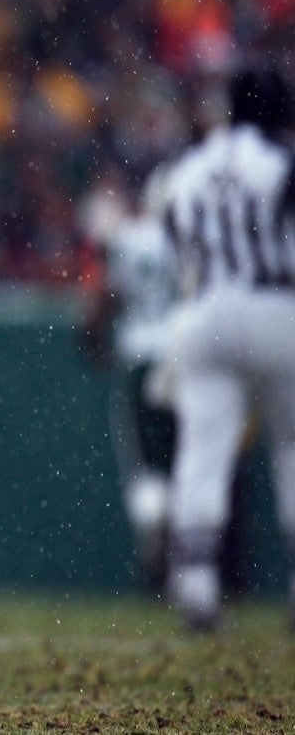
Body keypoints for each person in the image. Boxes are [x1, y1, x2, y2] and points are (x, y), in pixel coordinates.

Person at [155, 63, 295, 631]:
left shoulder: (187, 168)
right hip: (276, 306)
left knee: (202, 450)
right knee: (292, 448)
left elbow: (174, 245)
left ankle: (196, 585)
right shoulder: (282, 165)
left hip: (203, 310)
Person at [79, 171, 181, 592]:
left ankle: (156, 534)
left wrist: (93, 339)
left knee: (146, 464)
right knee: (188, 459)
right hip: (184, 357)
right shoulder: (192, 238)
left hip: (140, 355)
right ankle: (194, 561)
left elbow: (104, 295)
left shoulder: (128, 237)